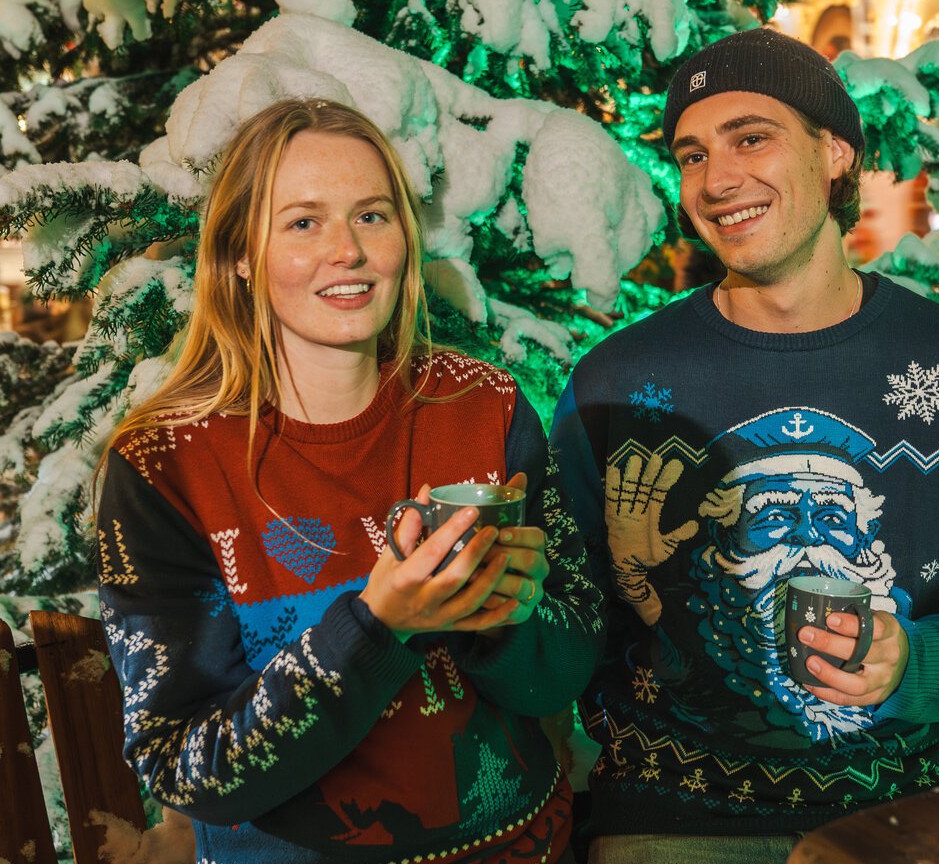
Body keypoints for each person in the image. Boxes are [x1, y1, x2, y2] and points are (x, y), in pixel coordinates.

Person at [549, 29, 939, 862]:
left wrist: (918, 663)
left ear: (833, 152)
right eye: (691, 155)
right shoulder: (615, 384)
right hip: (669, 825)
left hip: (899, 823)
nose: (717, 181)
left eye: (750, 137)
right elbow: (556, 638)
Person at [94, 98, 602, 864]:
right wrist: (375, 627)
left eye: (372, 216)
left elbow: (562, 672)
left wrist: (508, 619)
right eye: (303, 222)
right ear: (238, 253)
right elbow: (185, 766)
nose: (349, 251)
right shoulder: (167, 464)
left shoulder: (485, 408)